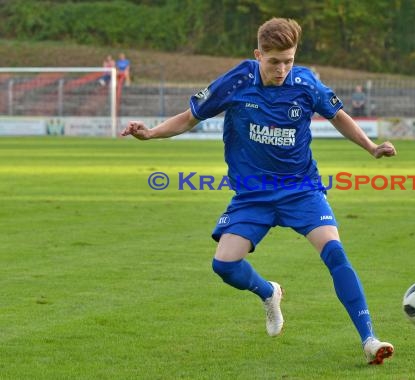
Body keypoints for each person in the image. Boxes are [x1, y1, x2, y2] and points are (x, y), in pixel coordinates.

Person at [120, 18, 396, 365]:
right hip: (252, 195)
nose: (282, 69)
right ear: (258, 55)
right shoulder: (237, 81)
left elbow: (338, 115)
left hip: (301, 189)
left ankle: (370, 339)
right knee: (224, 265)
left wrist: (371, 147)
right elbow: (190, 118)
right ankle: (269, 292)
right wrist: (150, 134)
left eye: (289, 61)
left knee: (335, 253)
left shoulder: (305, 82)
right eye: (274, 61)